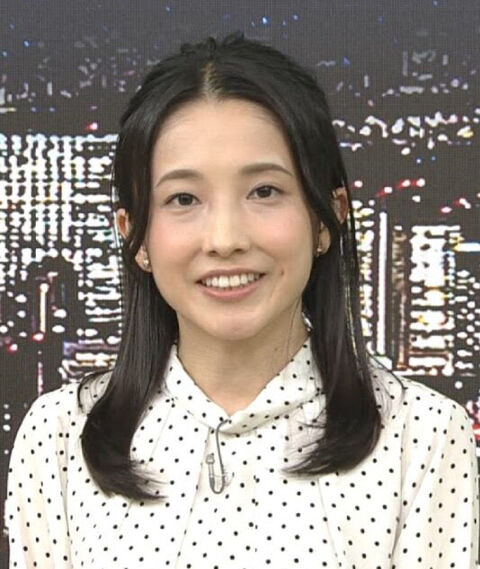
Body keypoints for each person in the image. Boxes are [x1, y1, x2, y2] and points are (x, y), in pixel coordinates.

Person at [5, 31, 479, 569]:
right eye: (184, 198)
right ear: (134, 236)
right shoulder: (61, 434)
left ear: (327, 218)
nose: (225, 238)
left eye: (264, 191)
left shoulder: (422, 434)